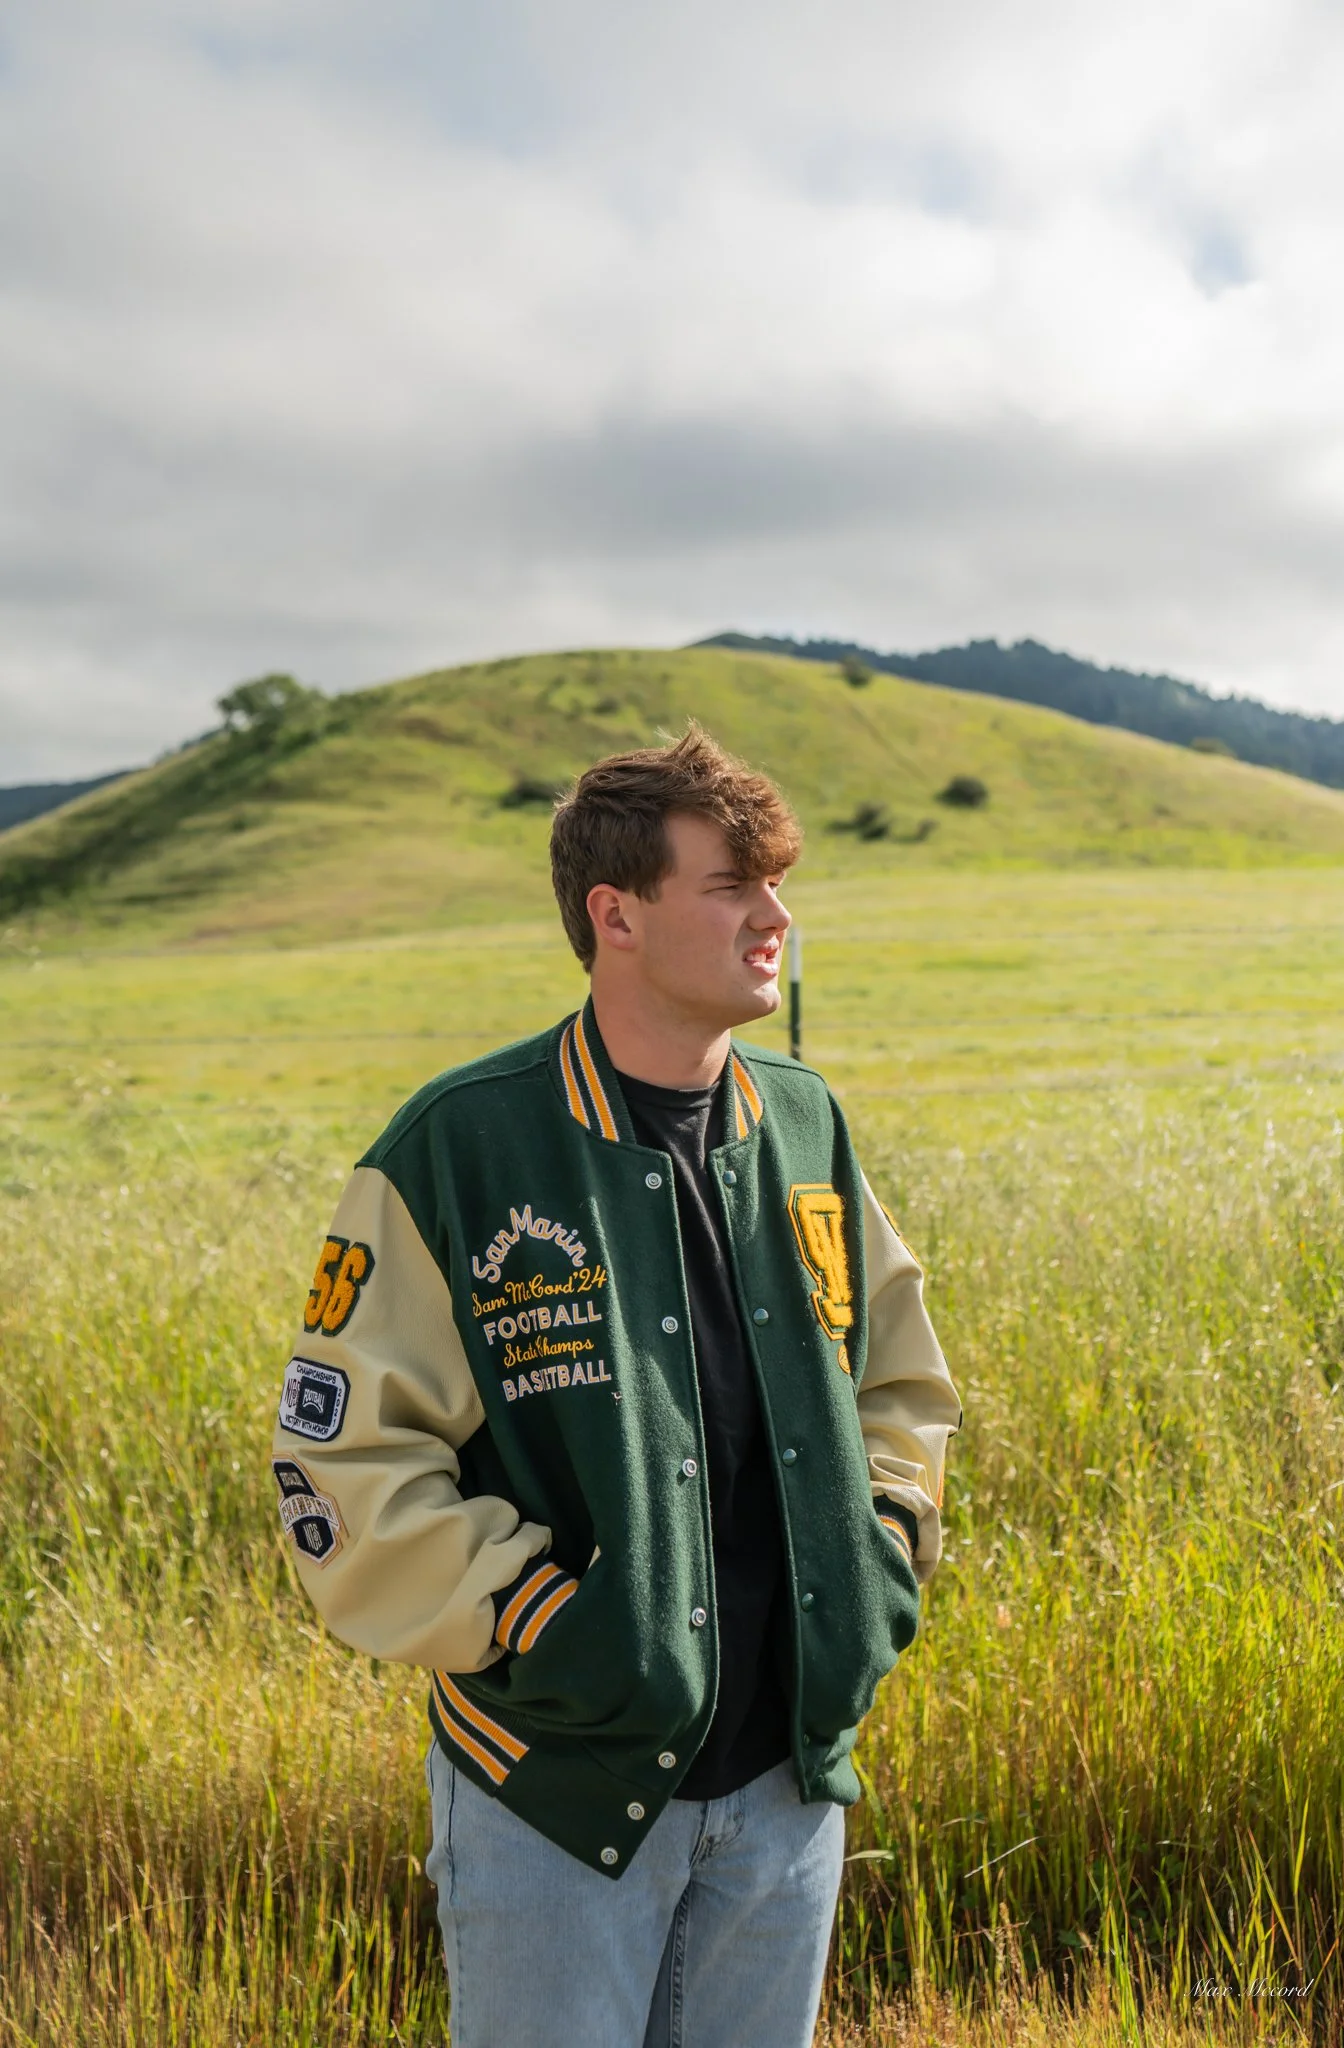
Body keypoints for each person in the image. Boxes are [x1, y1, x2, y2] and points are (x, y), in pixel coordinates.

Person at [271, 724, 962, 2048]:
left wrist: (879, 1554)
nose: (776, 917)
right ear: (616, 914)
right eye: (732, 886)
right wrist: (543, 1625)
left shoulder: (804, 1124)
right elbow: (339, 1459)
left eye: (775, 883)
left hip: (786, 1782)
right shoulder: (462, 1148)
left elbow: (899, 1383)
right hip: (556, 1790)